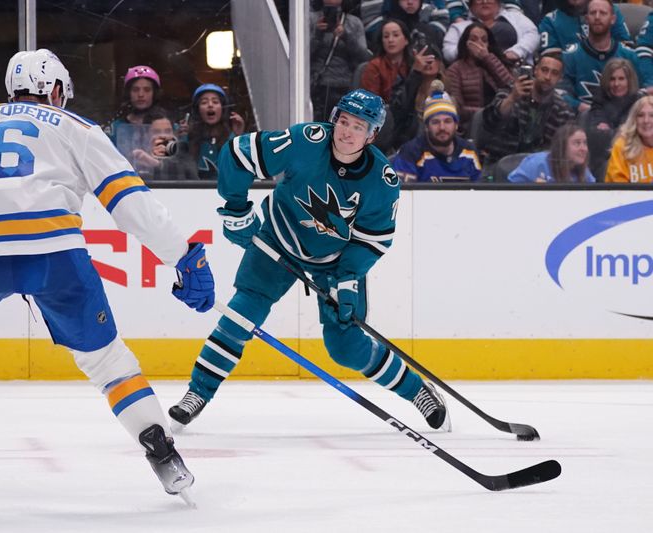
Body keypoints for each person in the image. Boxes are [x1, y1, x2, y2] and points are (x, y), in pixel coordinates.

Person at [0, 49, 215, 509]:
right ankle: (166, 457)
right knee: (107, 361)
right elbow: (130, 203)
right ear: (59, 89)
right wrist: (182, 255)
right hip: (54, 251)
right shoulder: (78, 128)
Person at [168, 88, 451, 433]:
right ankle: (197, 393)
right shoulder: (306, 140)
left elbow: (371, 241)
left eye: (358, 127)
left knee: (345, 347)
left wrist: (347, 281)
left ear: (372, 134)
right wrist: (236, 211)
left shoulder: (383, 180)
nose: (347, 132)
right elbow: (239, 155)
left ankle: (417, 390)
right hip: (277, 240)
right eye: (343, 122)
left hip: (335, 261)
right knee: (241, 316)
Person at [558, 0, 653, 113]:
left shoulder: (629, 56)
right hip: (579, 121)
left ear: (613, 19)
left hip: (622, 123)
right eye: (593, 13)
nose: (597, 17)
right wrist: (581, 107)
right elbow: (560, 93)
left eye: (603, 13)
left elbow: (644, 92)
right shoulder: (570, 56)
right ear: (586, 18)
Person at [481, 52, 574, 166]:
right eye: (544, 70)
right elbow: (488, 122)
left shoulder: (563, 111)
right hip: (498, 163)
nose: (548, 77)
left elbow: (563, 151)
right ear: (535, 70)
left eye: (554, 73)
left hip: (539, 170)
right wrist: (512, 98)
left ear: (560, 79)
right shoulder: (511, 91)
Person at [392, 87, 482, 181]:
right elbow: (403, 193)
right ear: (426, 127)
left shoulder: (469, 151)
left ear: (456, 125)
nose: (442, 127)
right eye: (435, 122)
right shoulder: (410, 152)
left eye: (447, 121)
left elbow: (479, 192)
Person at [445, 21, 515, 134]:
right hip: (473, 126)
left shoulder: (495, 62)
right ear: (465, 43)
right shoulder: (455, 69)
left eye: (484, 40)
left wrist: (488, 58)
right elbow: (458, 108)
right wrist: (487, 113)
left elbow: (511, 86)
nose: (479, 44)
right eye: (474, 39)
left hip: (502, 120)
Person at [310, 0, 373, 122]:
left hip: (343, 86)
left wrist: (346, 36)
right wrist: (317, 35)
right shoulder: (310, 19)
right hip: (316, 84)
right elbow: (300, 55)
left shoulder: (354, 23)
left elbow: (364, 58)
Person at [587, 58, 643, 180]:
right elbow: (597, 134)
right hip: (602, 157)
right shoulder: (599, 99)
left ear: (630, 81)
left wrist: (614, 132)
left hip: (633, 156)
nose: (616, 84)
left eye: (621, 79)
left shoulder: (639, 102)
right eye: (612, 79)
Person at [443, 0, 539, 65]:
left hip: (514, 68)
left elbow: (532, 34)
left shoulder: (515, 17)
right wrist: (468, 50)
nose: (485, 1)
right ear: (471, 6)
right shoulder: (460, 26)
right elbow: (448, 52)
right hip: (474, 75)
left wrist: (516, 51)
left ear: (498, 3)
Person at [389, 42, 447, 150]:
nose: (427, 63)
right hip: (409, 146)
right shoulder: (405, 86)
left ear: (439, 64)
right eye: (423, 60)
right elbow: (397, 113)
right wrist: (415, 73)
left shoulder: (447, 91)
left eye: (430, 59)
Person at [105, 65, 166, 160]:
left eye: (147, 90)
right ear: (128, 93)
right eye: (135, 90)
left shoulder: (166, 126)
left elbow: (175, 162)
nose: (141, 94)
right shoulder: (115, 128)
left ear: (155, 94)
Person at [186, 83, 245, 180]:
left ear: (223, 108)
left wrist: (238, 136)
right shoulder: (189, 138)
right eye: (204, 102)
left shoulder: (232, 138)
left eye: (215, 102)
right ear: (197, 110)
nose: (210, 105)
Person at [507, 123, 595, 182]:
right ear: (562, 146)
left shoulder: (584, 172)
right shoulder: (536, 164)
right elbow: (509, 191)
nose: (584, 149)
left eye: (585, 143)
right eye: (577, 143)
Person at [538, 0, 630, 55]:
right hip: (569, 78)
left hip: (609, 75)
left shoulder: (610, 11)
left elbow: (626, 48)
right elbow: (549, 63)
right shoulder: (550, 21)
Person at [132, 109, 199, 180]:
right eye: (156, 132)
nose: (163, 136)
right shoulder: (138, 157)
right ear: (146, 135)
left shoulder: (182, 154)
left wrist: (158, 165)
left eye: (168, 131)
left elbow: (194, 180)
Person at [360, 19, 413, 103]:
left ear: (406, 40)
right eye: (386, 36)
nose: (390, 40)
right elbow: (370, 102)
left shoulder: (414, 64)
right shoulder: (375, 66)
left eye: (395, 35)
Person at [605, 95, 653, 182]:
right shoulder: (622, 147)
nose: (646, 120)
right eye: (640, 115)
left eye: (652, 115)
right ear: (634, 120)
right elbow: (618, 189)